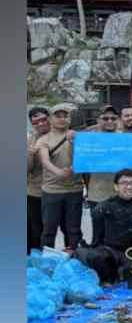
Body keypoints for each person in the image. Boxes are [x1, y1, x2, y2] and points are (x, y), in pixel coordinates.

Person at [75, 169, 132, 284]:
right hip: (111, 252)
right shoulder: (104, 207)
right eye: (124, 183)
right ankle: (108, 279)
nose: (128, 187)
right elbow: (97, 239)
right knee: (93, 256)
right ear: (116, 187)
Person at [37, 102, 84, 253]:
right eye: (58, 116)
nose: (62, 119)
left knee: (73, 230)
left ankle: (73, 259)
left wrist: (73, 143)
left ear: (70, 119)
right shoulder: (44, 139)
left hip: (74, 190)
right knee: (49, 230)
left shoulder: (78, 137)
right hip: (52, 191)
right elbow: (45, 161)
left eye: (66, 116)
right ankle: (47, 261)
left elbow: (83, 158)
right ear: (51, 119)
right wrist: (58, 172)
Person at [83, 105, 121, 209]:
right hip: (97, 194)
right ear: (98, 120)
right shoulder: (88, 139)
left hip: (121, 195)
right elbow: (83, 166)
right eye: (105, 118)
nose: (110, 121)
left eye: (113, 118)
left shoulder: (127, 139)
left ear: (118, 120)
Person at [27, 106, 49, 252]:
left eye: (43, 119)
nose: (40, 124)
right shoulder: (29, 140)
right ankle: (36, 257)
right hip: (35, 192)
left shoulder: (64, 135)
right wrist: (29, 155)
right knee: (36, 229)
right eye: (35, 122)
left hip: (61, 191)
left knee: (67, 229)